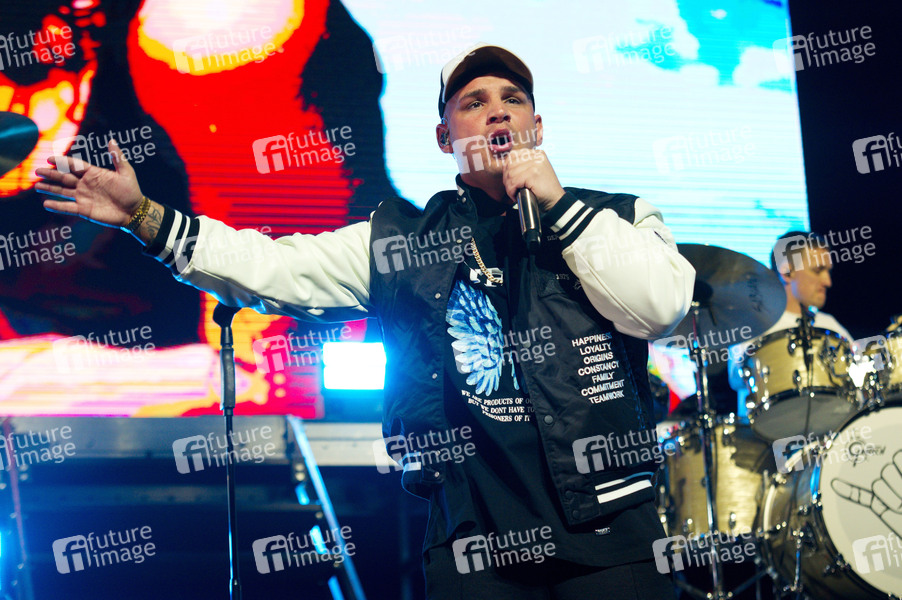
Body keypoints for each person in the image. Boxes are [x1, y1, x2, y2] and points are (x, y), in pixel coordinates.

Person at [35, 43, 694, 599]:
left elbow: (660, 307)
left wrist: (557, 206)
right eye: (473, 101)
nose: (496, 109)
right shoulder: (401, 239)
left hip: (612, 536)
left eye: (511, 98)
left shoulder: (616, 217)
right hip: (476, 546)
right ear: (445, 138)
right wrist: (144, 216)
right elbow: (273, 268)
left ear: (536, 126)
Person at [728, 230, 852, 418]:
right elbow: (737, 379)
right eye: (818, 270)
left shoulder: (830, 326)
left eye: (828, 271)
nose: (828, 281)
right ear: (786, 272)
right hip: (767, 431)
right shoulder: (752, 324)